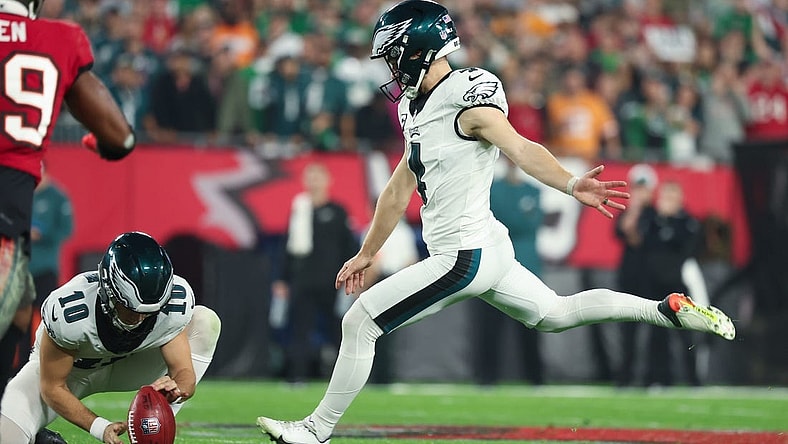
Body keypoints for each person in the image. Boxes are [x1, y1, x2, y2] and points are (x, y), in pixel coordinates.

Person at [256, 2, 736, 443]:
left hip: (463, 254)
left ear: (417, 51)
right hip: (486, 246)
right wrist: (367, 252)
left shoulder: (468, 96)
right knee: (556, 314)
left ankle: (316, 431)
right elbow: (401, 185)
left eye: (393, 55)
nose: (390, 67)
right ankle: (665, 309)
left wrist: (571, 184)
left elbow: (521, 148)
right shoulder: (412, 105)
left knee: (361, 322)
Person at [0, 0, 137, 401]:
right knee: (15, 308)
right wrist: (105, 144)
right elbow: (120, 137)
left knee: (21, 305)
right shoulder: (59, 39)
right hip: (10, 195)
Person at [0, 231, 222, 444]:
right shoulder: (71, 312)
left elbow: (184, 374)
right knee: (6, 437)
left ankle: (155, 427)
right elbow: (52, 387)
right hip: (75, 372)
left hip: (133, 364)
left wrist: (177, 388)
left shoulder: (174, 304)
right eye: (131, 310)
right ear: (108, 290)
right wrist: (99, 426)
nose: (141, 319)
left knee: (205, 321)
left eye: (150, 311)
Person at [271, 163, 359, 383]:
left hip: (333, 281)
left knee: (339, 330)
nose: (314, 182)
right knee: (299, 329)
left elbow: (348, 247)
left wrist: (351, 275)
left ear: (328, 180)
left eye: (318, 177)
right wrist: (282, 279)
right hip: (303, 280)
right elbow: (287, 247)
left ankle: (345, 378)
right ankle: (297, 376)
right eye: (310, 177)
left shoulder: (338, 211)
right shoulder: (299, 209)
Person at [472, 159, 545, 386]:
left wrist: (509, 220)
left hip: (526, 266)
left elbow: (527, 224)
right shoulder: (493, 189)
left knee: (532, 325)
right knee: (490, 329)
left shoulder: (532, 190)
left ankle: (536, 378)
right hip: (494, 267)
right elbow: (510, 221)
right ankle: (486, 377)